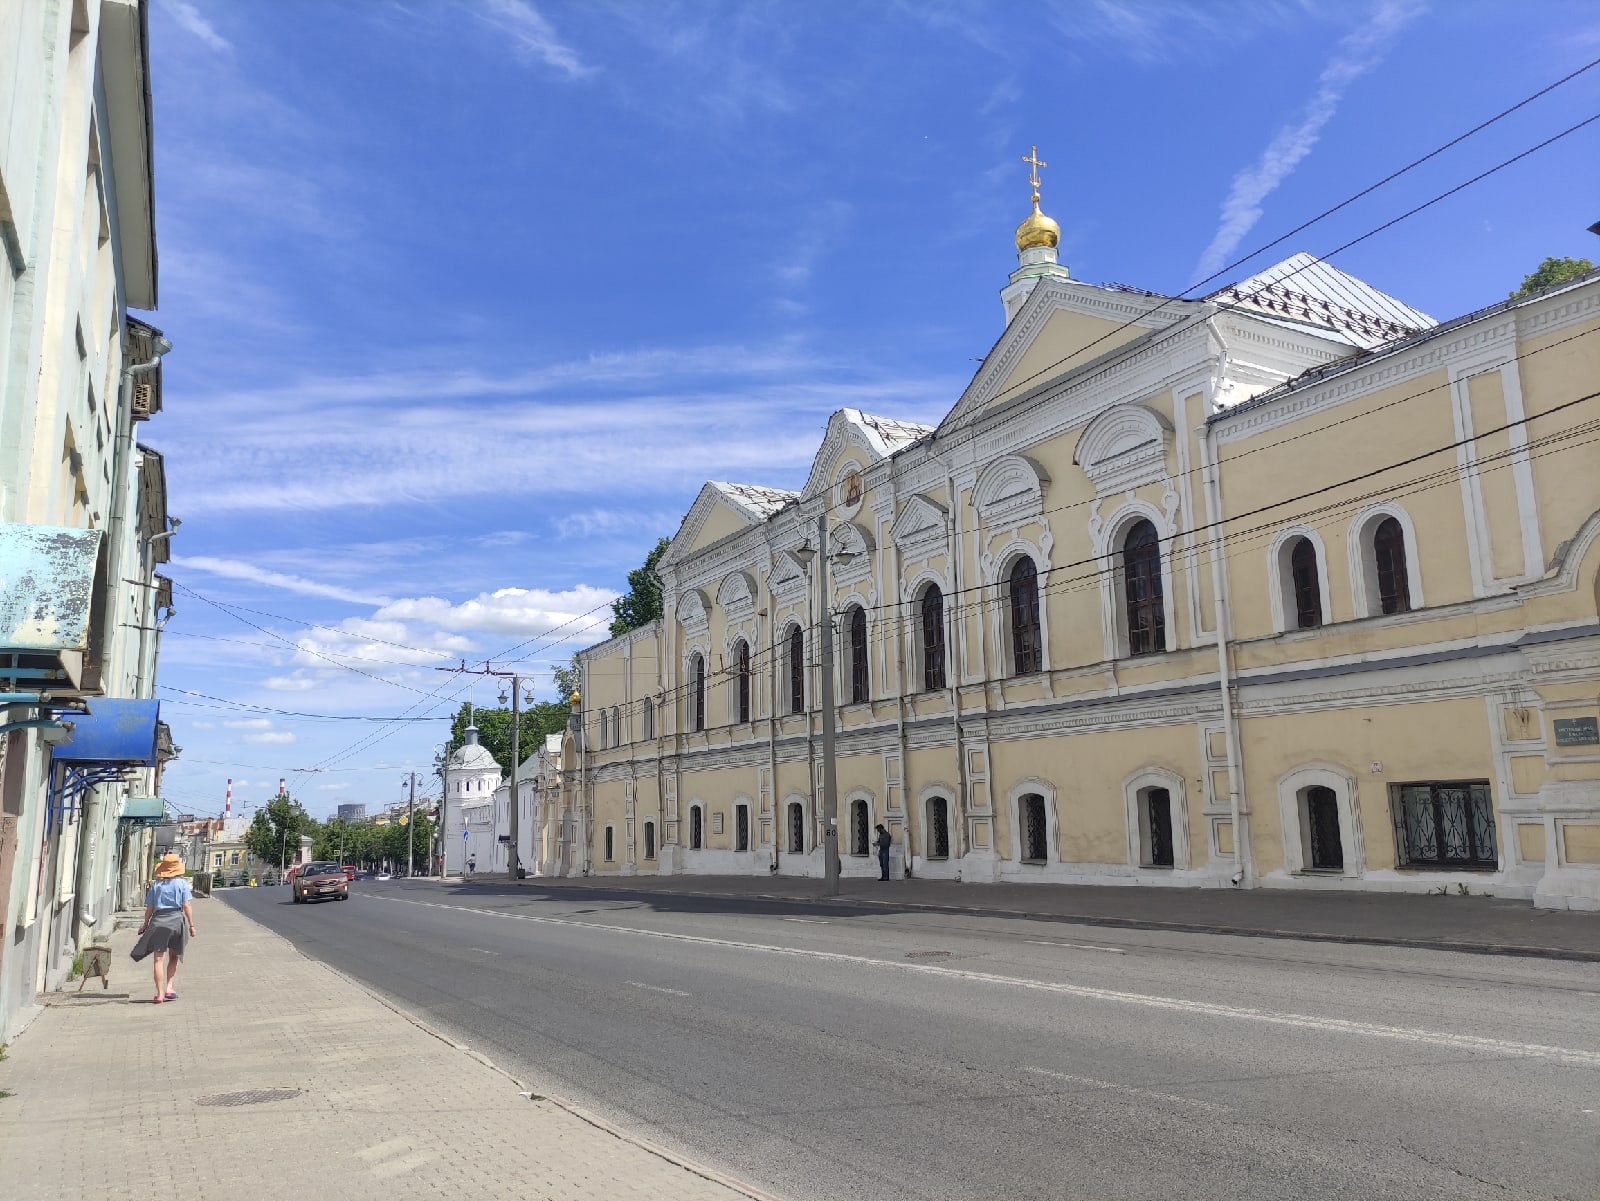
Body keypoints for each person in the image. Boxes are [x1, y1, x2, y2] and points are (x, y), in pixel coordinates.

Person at [130, 853, 197, 1004]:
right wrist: (191, 925)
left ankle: (159, 993)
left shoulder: (156, 885)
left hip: (158, 922)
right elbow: (186, 905)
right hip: (176, 922)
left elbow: (150, 908)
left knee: (158, 960)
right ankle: (169, 988)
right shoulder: (182, 884)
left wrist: (145, 925)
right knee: (174, 957)